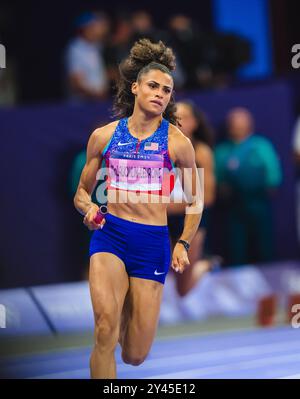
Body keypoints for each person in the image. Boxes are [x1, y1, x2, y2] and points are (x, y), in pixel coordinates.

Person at [73, 38, 202, 379]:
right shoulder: (104, 136)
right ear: (135, 87)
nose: (160, 94)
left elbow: (195, 199)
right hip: (111, 236)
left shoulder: (178, 143)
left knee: (134, 354)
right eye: (153, 86)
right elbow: (82, 193)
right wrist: (89, 208)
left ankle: (127, 309)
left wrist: (184, 243)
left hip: (152, 245)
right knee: (104, 329)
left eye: (167, 90)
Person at [214, 107, 282, 265]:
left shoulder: (261, 146)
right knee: (237, 251)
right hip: (234, 209)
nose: (235, 127)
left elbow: (274, 176)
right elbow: (216, 180)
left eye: (239, 124)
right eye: (232, 124)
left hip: (258, 206)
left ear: (249, 125)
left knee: (264, 249)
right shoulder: (222, 151)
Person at [167, 100, 218, 296]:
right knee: (168, 270)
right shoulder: (162, 148)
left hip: (192, 219)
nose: (180, 122)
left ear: (195, 123)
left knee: (183, 287)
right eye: (176, 117)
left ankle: (205, 264)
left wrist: (164, 207)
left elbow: (209, 197)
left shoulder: (202, 152)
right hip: (166, 218)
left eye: (185, 117)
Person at [64, 11, 110, 102]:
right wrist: (95, 95)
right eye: (93, 27)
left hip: (98, 102)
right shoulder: (75, 49)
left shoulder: (96, 46)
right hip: (82, 105)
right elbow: (75, 82)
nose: (96, 31)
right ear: (84, 29)